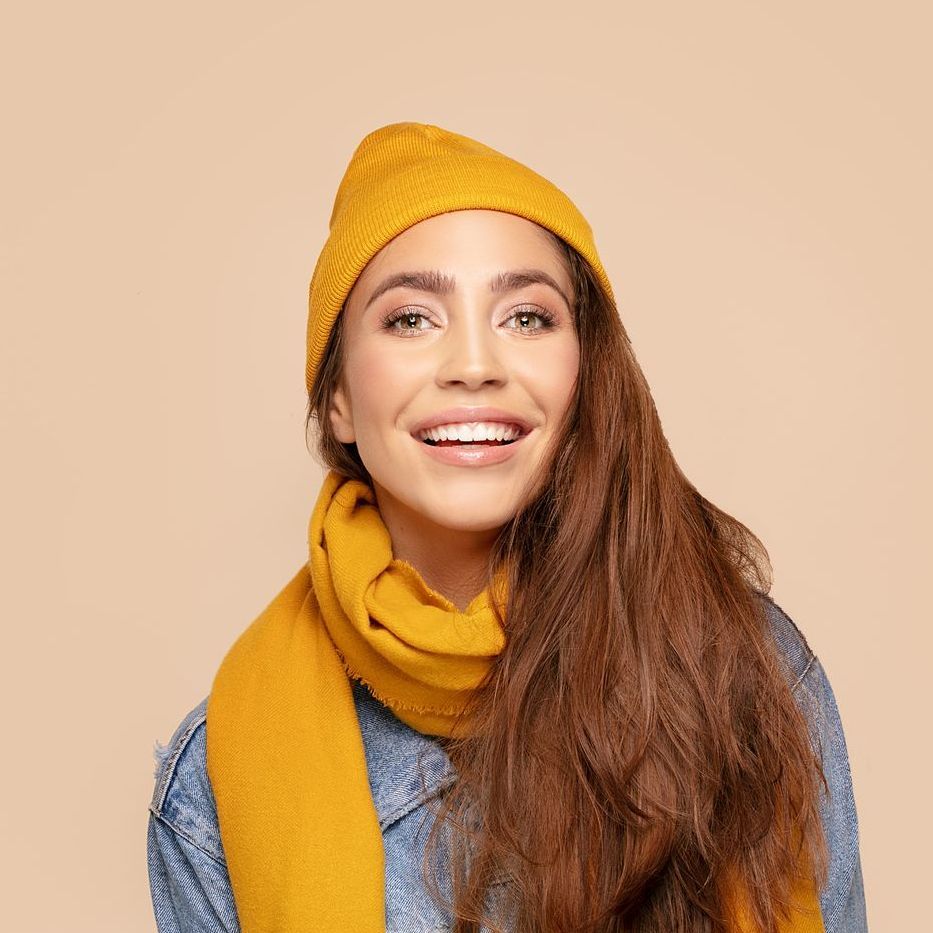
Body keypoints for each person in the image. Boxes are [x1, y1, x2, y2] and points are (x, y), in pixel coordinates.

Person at [146, 122, 867, 933]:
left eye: (525, 316)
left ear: (584, 374)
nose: (475, 362)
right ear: (338, 396)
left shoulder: (740, 667)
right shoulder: (215, 778)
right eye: (411, 318)